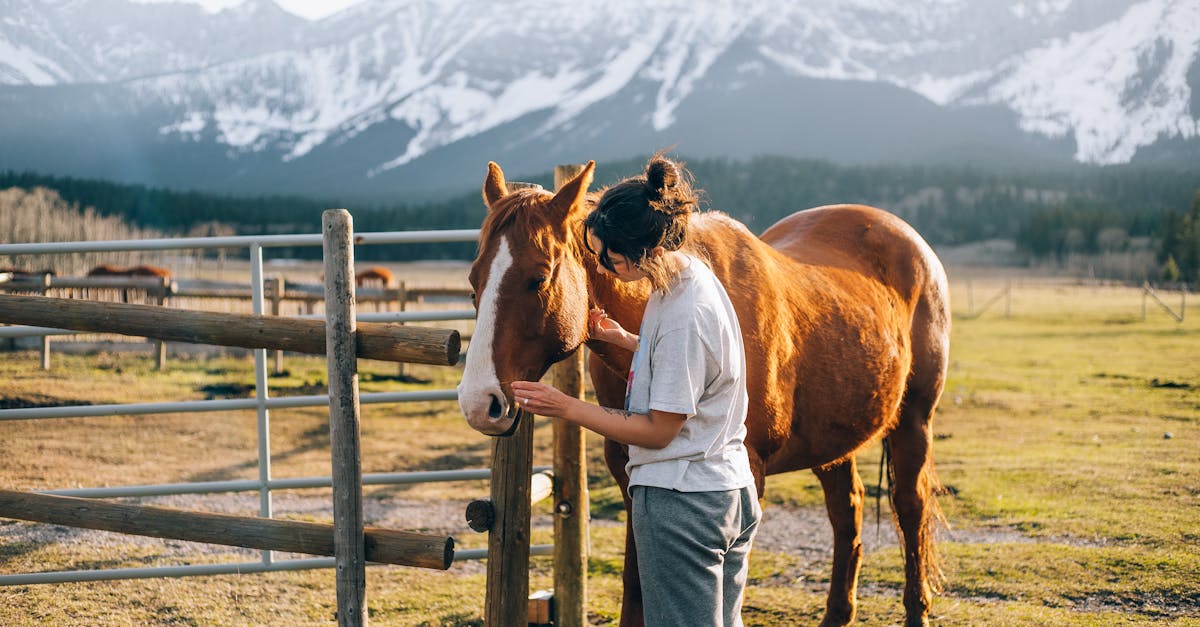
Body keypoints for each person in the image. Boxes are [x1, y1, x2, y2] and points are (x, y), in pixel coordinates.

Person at [511, 155, 760, 627]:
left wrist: (566, 406)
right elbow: (690, 363)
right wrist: (623, 340)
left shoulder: (684, 310)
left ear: (642, 249)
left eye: (610, 256)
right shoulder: (691, 279)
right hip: (724, 490)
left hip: (683, 502)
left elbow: (658, 429)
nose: (604, 266)